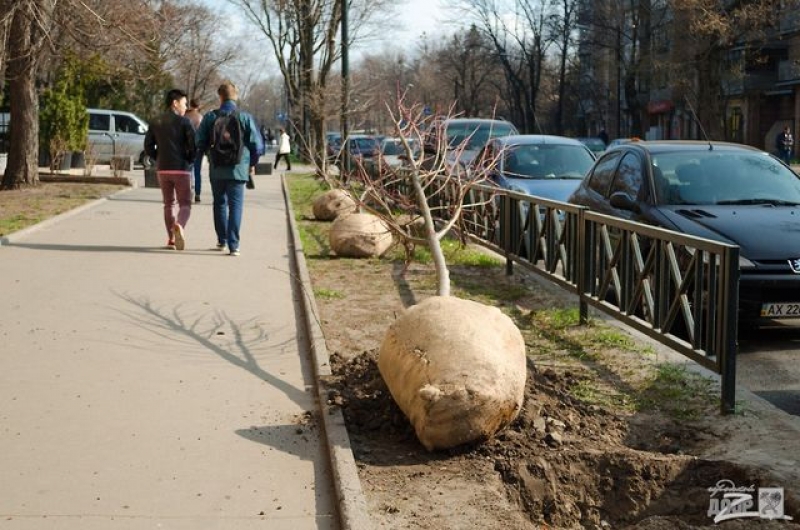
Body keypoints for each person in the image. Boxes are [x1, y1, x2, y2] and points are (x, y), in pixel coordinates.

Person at [196, 81, 264, 256]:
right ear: (236, 95)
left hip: (217, 168)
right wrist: (252, 164)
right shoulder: (244, 117)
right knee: (236, 205)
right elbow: (256, 145)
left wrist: (209, 156)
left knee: (219, 203)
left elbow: (199, 142)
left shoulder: (211, 117)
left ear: (220, 96)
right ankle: (234, 245)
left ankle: (222, 241)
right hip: (239, 168)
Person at [144, 88, 196, 251]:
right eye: (184, 103)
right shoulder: (185, 122)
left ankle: (171, 240)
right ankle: (179, 225)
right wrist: (190, 160)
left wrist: (157, 157)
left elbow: (147, 146)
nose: (185, 107)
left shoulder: (156, 121)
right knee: (185, 204)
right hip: (181, 168)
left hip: (163, 169)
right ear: (175, 103)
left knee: (168, 204)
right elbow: (193, 146)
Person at [184, 99, 204, 203]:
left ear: (190, 105)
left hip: (186, 147)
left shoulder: (185, 116)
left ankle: (187, 193)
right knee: (197, 171)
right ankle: (197, 194)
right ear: (198, 106)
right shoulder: (201, 118)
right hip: (198, 148)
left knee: (187, 171)